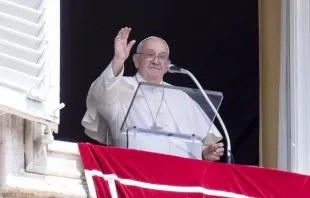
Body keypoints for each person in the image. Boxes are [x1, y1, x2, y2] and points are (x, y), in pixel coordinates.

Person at [81, 27, 224, 161]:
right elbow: (101, 94)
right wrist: (118, 60)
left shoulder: (181, 97)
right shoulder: (120, 87)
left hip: (180, 176)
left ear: (167, 64)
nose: (156, 61)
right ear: (136, 60)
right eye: (150, 55)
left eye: (162, 57)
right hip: (132, 170)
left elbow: (193, 141)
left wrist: (204, 152)